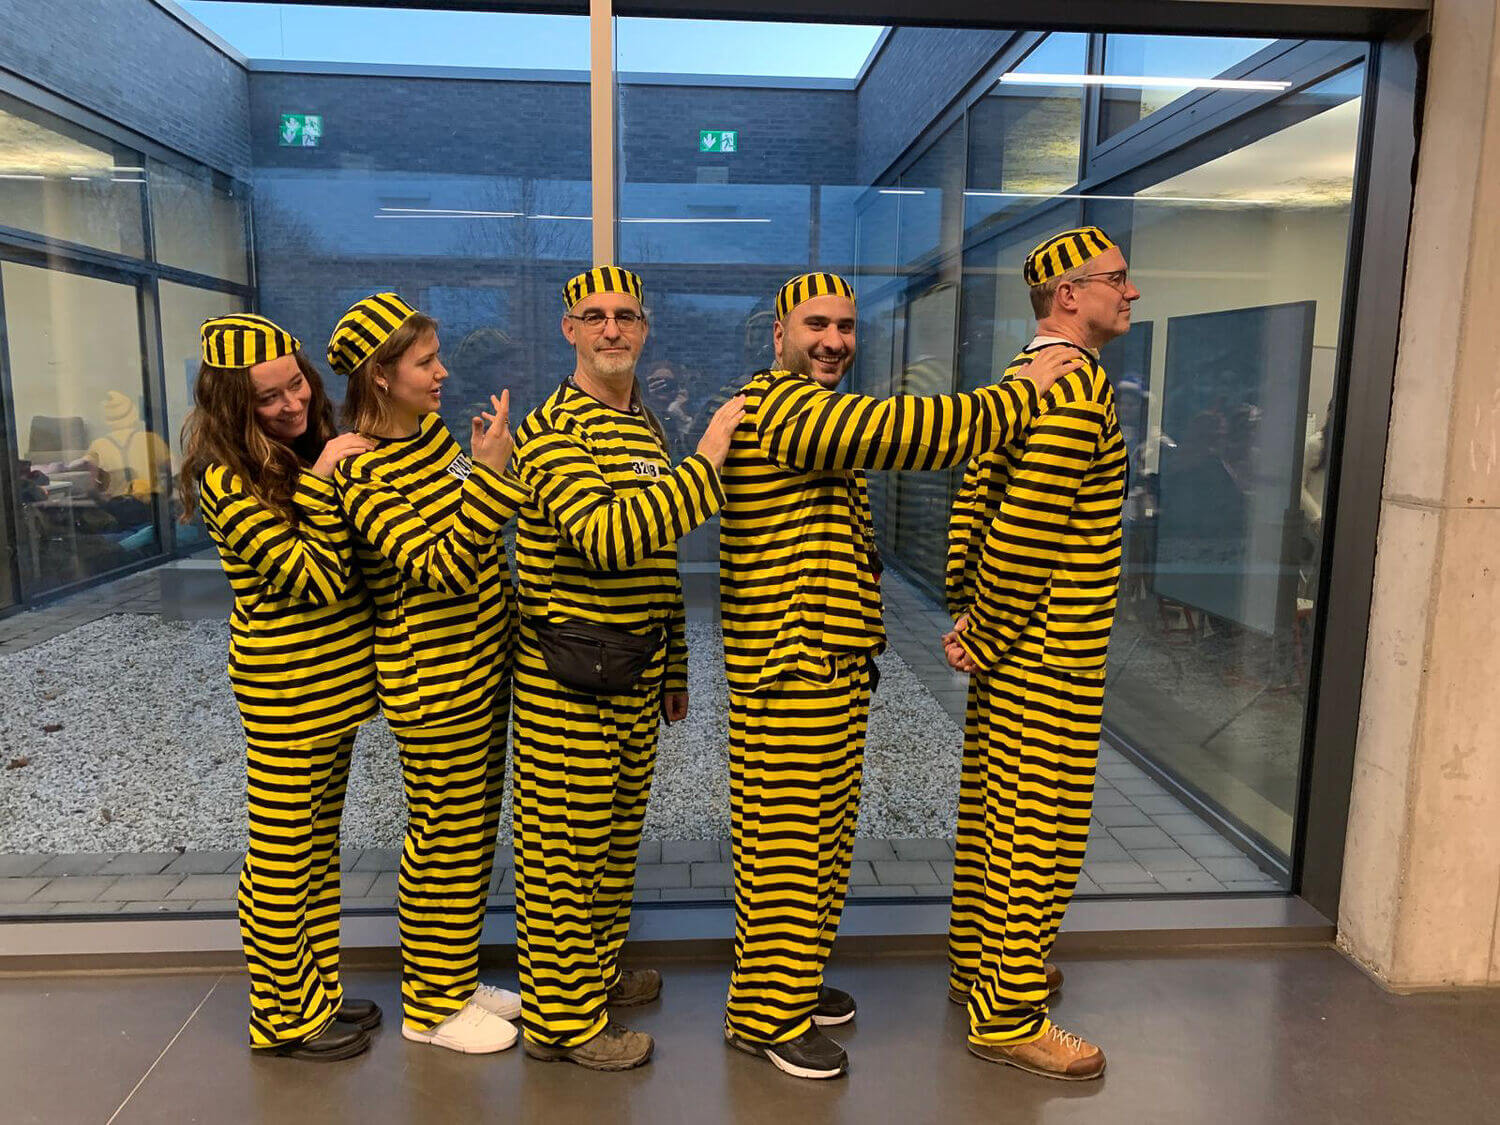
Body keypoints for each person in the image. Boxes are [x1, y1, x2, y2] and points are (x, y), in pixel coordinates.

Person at [718, 271, 1082, 1079]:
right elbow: (909, 433)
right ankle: (767, 1019)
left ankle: (784, 984)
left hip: (829, 666)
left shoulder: (805, 407)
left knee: (816, 844)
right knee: (786, 848)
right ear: (777, 336)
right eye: (816, 324)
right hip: (792, 670)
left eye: (846, 327)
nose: (834, 341)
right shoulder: (781, 407)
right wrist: (1019, 391)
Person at [509, 266, 744, 1071]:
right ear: (568, 329)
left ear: (644, 328)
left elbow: (658, 556)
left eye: (626, 316)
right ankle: (561, 1023)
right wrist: (707, 462)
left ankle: (596, 978)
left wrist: (675, 666)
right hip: (566, 679)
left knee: (610, 845)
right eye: (595, 316)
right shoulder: (551, 430)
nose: (612, 329)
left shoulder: (642, 427)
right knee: (563, 856)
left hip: (635, 674)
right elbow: (608, 538)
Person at [943, 226, 1136, 1081]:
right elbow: (1025, 530)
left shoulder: (1022, 378)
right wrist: (984, 630)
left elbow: (973, 507)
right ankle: (1010, 1015)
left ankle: (979, 971)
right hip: (1050, 649)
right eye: (1117, 279)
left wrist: (967, 612)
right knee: (1039, 829)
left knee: (998, 813)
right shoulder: (1075, 387)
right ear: (1069, 294)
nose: (1130, 292)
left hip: (1020, 644)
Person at [329, 293, 527, 1055]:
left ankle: (454, 976)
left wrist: (476, 466)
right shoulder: (360, 470)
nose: (442, 372)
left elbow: (466, 525)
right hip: (434, 681)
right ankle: (430, 1006)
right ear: (380, 376)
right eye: (426, 361)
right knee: (441, 840)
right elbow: (439, 562)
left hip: (483, 665)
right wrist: (491, 476)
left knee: (470, 836)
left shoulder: (433, 438)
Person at [178, 313, 379, 1062]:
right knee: (281, 857)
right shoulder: (224, 477)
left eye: (296, 383)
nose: (292, 402)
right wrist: (324, 481)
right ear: (233, 405)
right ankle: (281, 1018)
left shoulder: (296, 446)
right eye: (269, 397)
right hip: (287, 693)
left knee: (317, 849)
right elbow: (315, 577)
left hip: (334, 689)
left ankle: (315, 993)